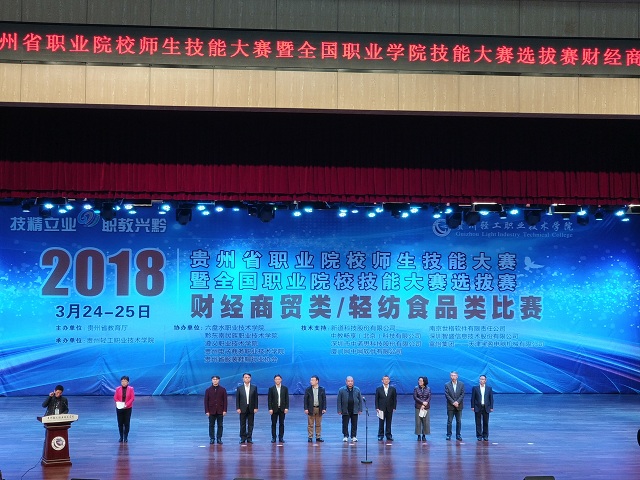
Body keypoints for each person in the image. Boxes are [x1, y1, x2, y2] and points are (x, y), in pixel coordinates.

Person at [336, 376, 362, 442]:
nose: (350, 382)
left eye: (351, 381)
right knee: (345, 424)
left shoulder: (357, 389)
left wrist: (360, 409)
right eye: (349, 381)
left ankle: (353, 436)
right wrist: (339, 410)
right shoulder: (341, 390)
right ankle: (345, 436)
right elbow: (339, 401)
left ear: (353, 382)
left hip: (354, 409)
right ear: (346, 382)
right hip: (345, 410)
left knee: (354, 424)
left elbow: (360, 400)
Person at [235, 373, 258, 444]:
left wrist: (256, 407)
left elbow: (256, 398)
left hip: (251, 408)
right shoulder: (240, 388)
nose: (247, 379)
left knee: (250, 424)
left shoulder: (254, 387)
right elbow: (237, 399)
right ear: (243, 379)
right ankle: (243, 438)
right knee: (242, 424)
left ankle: (249, 438)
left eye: (248, 377)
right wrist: (238, 408)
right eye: (245, 377)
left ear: (250, 378)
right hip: (242, 408)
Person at [204, 375, 227, 444]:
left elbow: (225, 401)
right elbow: (206, 401)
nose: (215, 380)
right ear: (212, 380)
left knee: (220, 425)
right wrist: (207, 411)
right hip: (211, 410)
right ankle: (212, 438)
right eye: (214, 379)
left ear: (219, 380)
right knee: (211, 425)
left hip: (220, 410)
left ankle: (219, 438)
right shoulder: (208, 390)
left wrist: (225, 410)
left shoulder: (223, 389)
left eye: (216, 379)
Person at [470, 374, 494, 441]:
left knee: (485, 422)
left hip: (486, 407)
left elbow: (491, 398)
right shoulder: (475, 388)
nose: (481, 380)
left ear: (485, 380)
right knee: (478, 422)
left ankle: (485, 435)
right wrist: (472, 406)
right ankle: (479, 435)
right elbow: (473, 398)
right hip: (478, 407)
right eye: (480, 379)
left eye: (483, 379)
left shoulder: (489, 388)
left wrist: (491, 407)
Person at [303, 375, 326, 443]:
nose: (311, 381)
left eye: (313, 380)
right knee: (310, 424)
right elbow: (305, 400)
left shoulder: (322, 389)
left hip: (319, 408)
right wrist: (306, 408)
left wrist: (324, 408)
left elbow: (324, 399)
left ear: (317, 381)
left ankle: (318, 437)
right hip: (311, 408)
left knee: (318, 424)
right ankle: (310, 437)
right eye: (311, 380)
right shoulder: (308, 389)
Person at [267, 374, 289, 443]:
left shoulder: (285, 388)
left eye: (279, 379)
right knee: (273, 424)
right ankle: (274, 437)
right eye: (276, 379)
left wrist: (286, 407)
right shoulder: (271, 389)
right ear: (274, 380)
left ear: (281, 380)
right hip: (274, 409)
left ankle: (281, 437)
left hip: (282, 409)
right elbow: (269, 399)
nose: (277, 380)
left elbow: (287, 399)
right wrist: (270, 408)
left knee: (281, 423)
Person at [375, 375, 397, 441]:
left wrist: (394, 407)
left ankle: (388, 435)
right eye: (384, 379)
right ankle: (380, 435)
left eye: (387, 379)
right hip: (381, 408)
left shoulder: (393, 389)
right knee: (381, 422)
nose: (386, 380)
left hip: (390, 408)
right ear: (382, 380)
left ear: (389, 380)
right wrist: (377, 407)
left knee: (389, 422)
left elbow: (394, 399)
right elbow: (376, 399)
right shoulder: (379, 389)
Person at [114, 375, 135, 443]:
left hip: (127, 408)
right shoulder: (117, 389)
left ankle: (125, 437)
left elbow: (132, 398)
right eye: (122, 381)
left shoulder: (131, 389)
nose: (123, 382)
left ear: (128, 382)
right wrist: (119, 403)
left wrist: (126, 405)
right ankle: (121, 437)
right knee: (120, 423)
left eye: (125, 381)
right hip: (119, 408)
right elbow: (115, 397)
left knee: (126, 423)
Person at [445, 371, 465, 441]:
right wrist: (453, 402)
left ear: (457, 376)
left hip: (459, 406)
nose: (453, 377)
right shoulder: (447, 384)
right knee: (449, 421)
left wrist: (457, 402)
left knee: (458, 421)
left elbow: (462, 394)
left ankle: (458, 435)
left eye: (454, 375)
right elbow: (447, 395)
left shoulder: (461, 384)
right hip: (450, 406)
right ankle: (448, 435)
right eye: (451, 375)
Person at [413, 376, 431, 441]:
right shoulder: (416, 388)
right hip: (418, 407)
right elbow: (415, 397)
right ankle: (418, 435)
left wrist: (425, 404)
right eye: (419, 380)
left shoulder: (428, 388)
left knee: (425, 422)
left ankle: (424, 435)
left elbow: (429, 397)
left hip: (426, 407)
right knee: (418, 422)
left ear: (424, 382)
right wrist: (422, 402)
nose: (419, 382)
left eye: (421, 381)